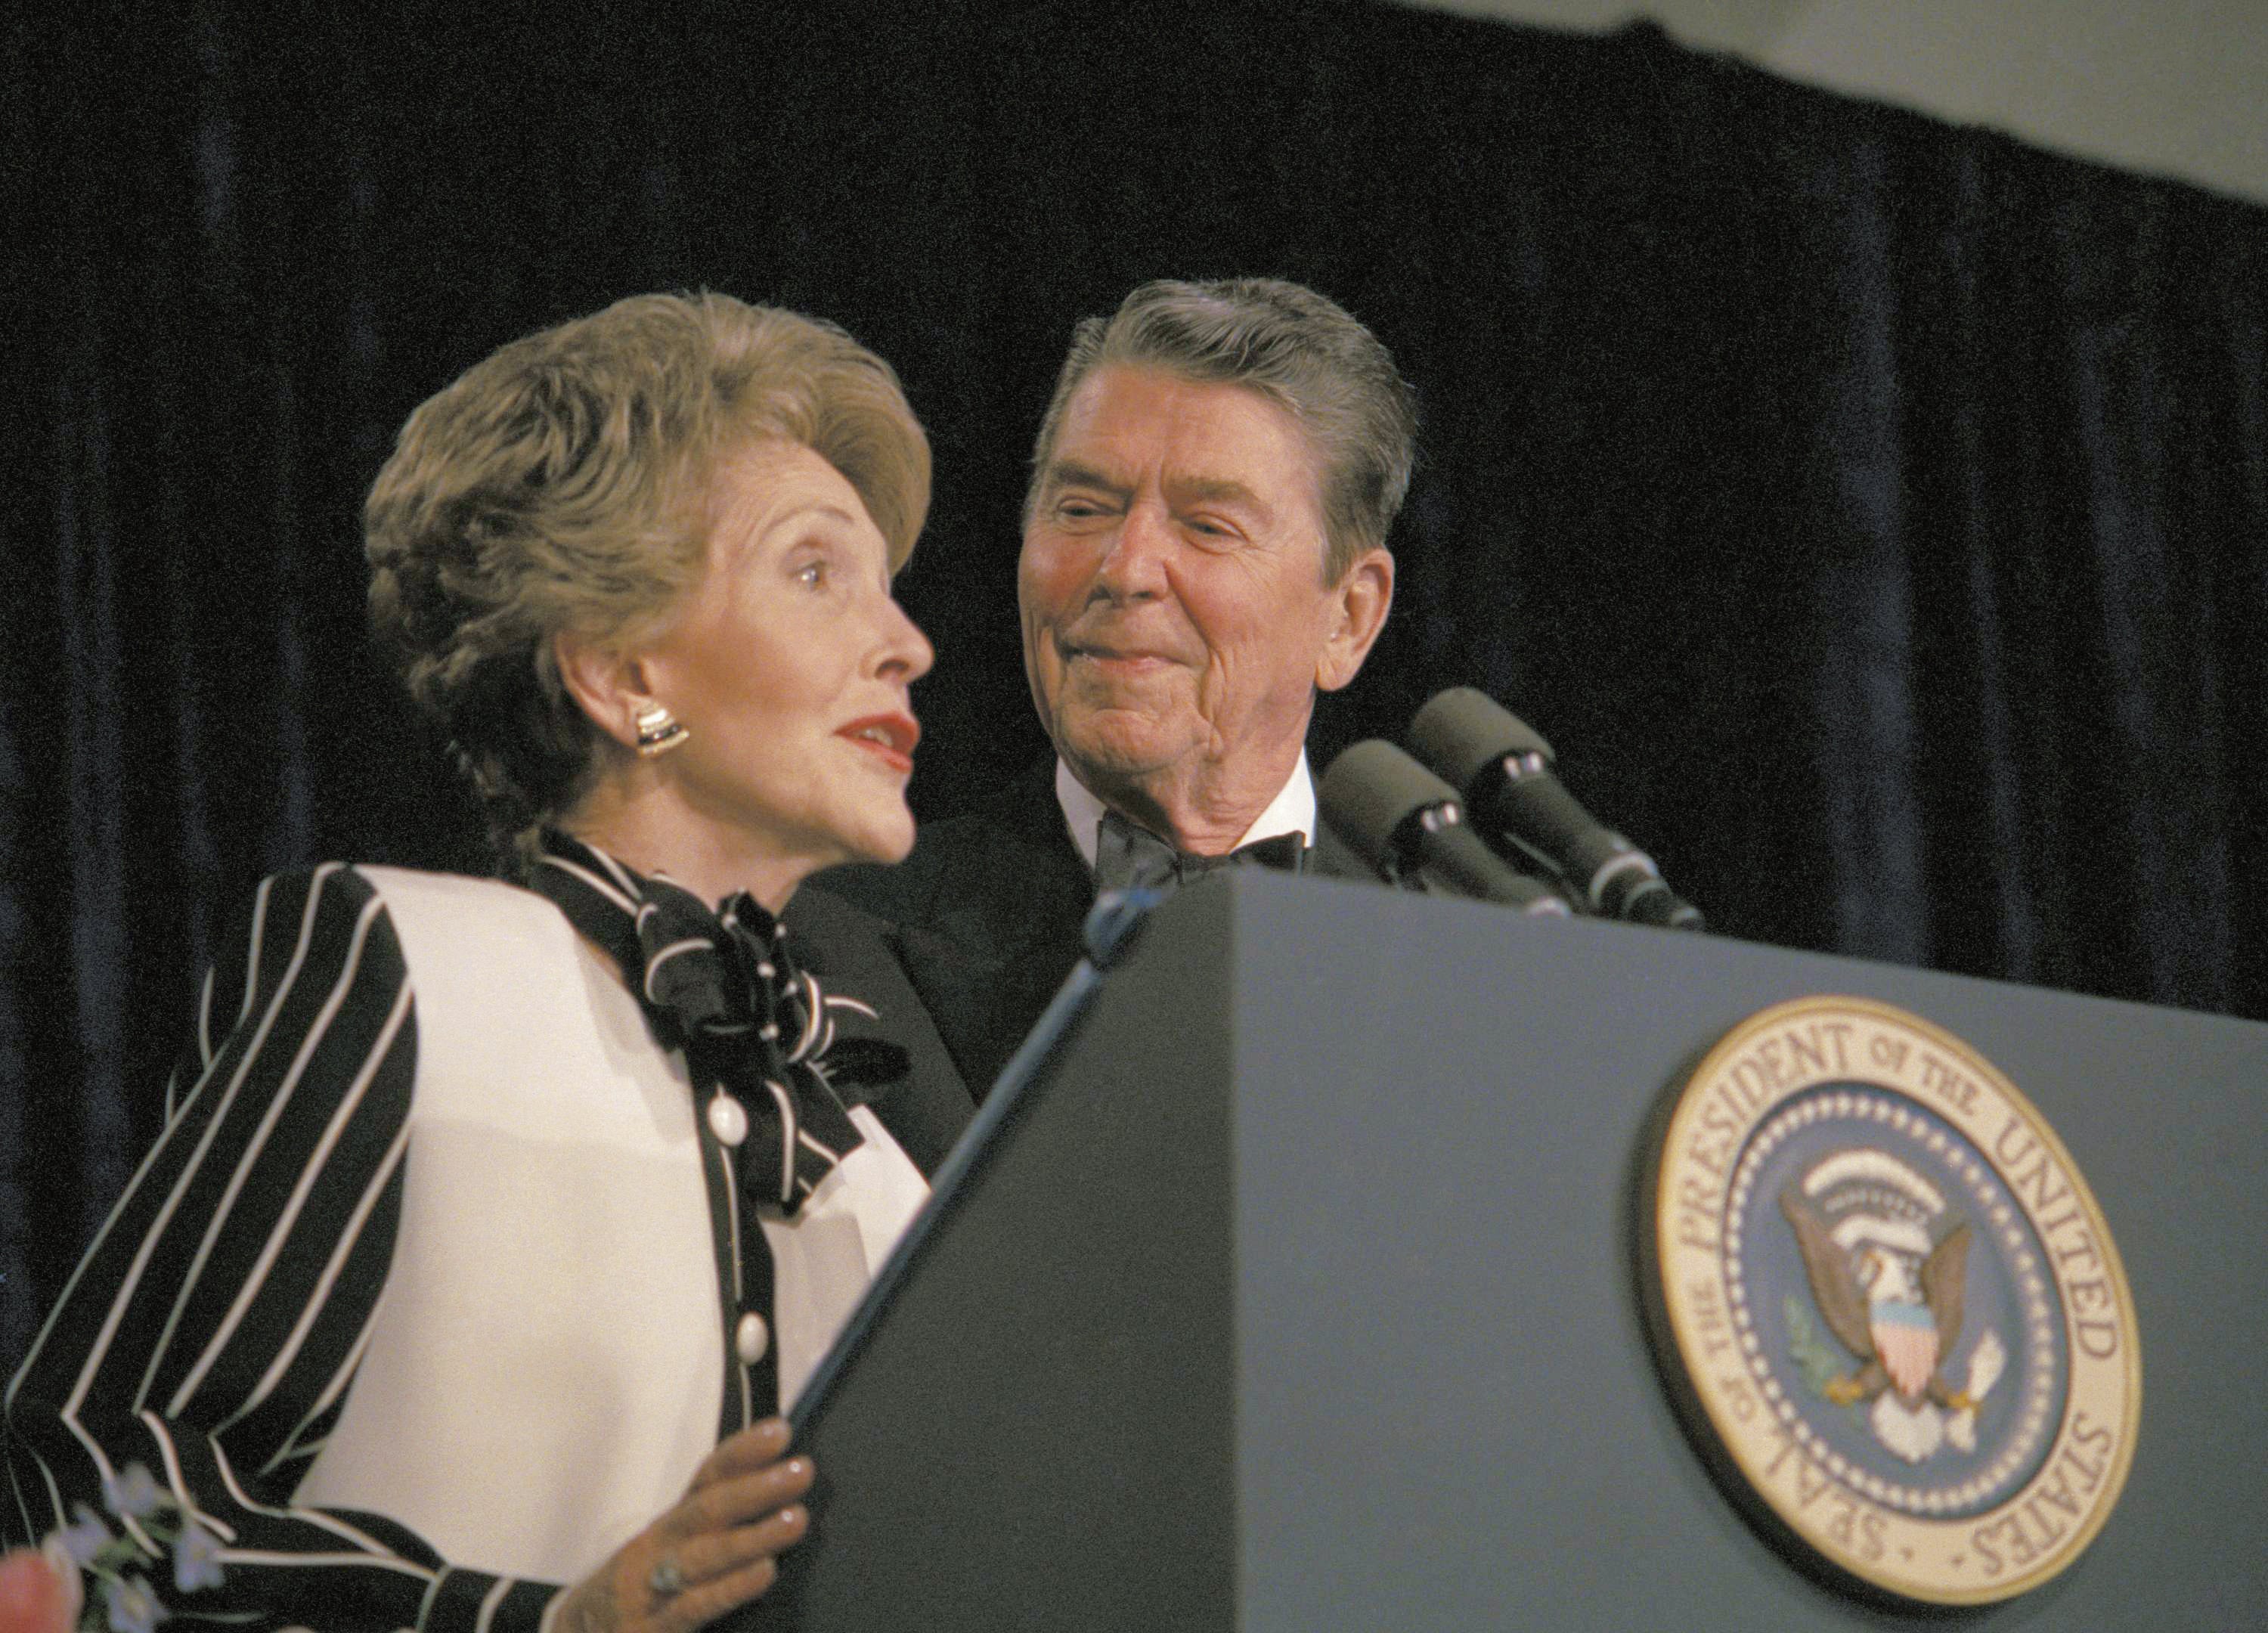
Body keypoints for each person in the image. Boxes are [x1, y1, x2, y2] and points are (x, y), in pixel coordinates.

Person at [2, 292, 971, 1633]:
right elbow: (76, 1530)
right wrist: (539, 1622)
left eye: (888, 587)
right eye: (815, 573)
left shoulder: (879, 1154)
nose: (908, 644)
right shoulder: (411, 972)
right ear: (623, 675)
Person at [807, 277, 1411, 1096]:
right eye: (1083, 509)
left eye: (1209, 527)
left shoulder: (1469, 967)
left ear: (1348, 618)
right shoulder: (836, 938)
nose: (1125, 570)